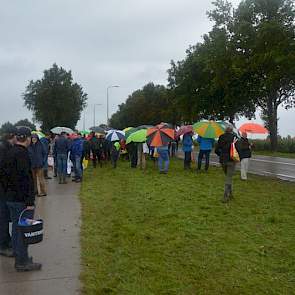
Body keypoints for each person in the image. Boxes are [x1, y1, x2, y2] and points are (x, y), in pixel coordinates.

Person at [5, 127, 42, 271]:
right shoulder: (22, 154)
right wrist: (29, 202)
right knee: (23, 230)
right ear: (26, 138)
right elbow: (25, 180)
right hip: (21, 200)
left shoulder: (10, 152)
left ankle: (18, 254)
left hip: (10, 198)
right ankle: (22, 261)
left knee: (15, 228)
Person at [0, 126, 17, 257]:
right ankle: (3, 245)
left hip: (4, 188)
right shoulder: (3, 148)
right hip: (3, 189)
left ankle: (6, 240)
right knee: (3, 217)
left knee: (5, 217)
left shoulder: (6, 147)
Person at [215, 126, 237, 203]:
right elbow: (237, 149)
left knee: (228, 176)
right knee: (229, 177)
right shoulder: (234, 137)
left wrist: (221, 155)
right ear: (231, 131)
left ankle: (230, 194)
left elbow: (216, 150)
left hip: (223, 160)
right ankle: (225, 196)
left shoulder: (221, 137)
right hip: (231, 160)